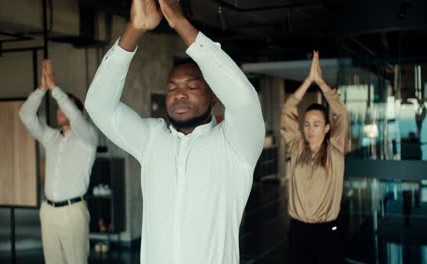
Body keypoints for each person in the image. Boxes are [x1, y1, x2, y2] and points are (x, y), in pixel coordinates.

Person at [84, 0, 265, 263]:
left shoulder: (235, 145)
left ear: (213, 96)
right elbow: (98, 106)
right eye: (172, 88)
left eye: (192, 87)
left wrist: (180, 23)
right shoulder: (151, 140)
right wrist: (135, 29)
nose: (179, 94)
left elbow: (244, 99)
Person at [19, 59, 98, 264]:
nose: (60, 110)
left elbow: (75, 117)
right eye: (59, 107)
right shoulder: (50, 137)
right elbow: (25, 115)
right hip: (48, 211)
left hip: (73, 212)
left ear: (78, 113)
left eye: (66, 107)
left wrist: (55, 88)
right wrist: (42, 89)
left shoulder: (87, 137)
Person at [280, 51, 350, 264]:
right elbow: (288, 109)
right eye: (307, 124)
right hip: (298, 230)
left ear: (327, 128)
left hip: (327, 232)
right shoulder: (296, 147)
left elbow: (341, 112)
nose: (310, 130)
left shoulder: (336, 149)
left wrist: (320, 82)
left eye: (317, 124)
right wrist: (308, 81)